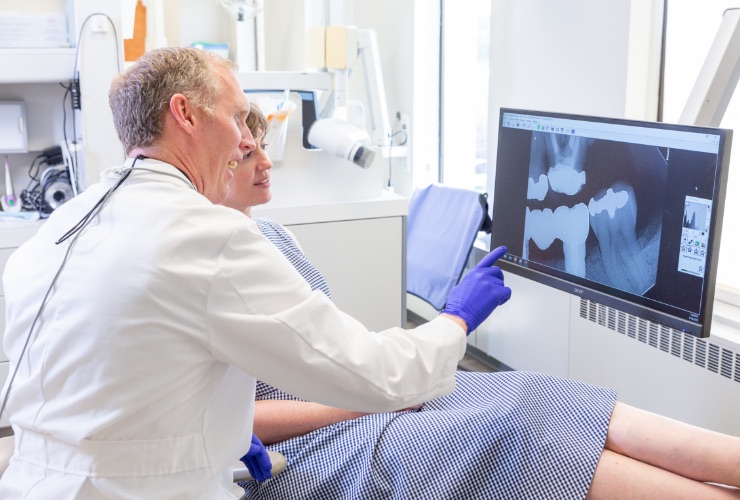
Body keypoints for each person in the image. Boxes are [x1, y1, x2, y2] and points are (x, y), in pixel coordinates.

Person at [0, 47, 512, 498]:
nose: (246, 139)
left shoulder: (59, 228)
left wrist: (221, 426)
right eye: (239, 118)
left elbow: (107, 376)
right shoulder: (205, 235)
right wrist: (457, 319)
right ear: (185, 114)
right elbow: (377, 374)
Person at [222, 106, 740, 500]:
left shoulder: (272, 235)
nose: (267, 161)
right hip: (310, 449)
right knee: (516, 431)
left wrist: (396, 367)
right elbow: (226, 419)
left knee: (538, 392)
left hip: (363, 394)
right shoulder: (207, 270)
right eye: (248, 153)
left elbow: (332, 347)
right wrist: (369, 397)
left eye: (263, 144)